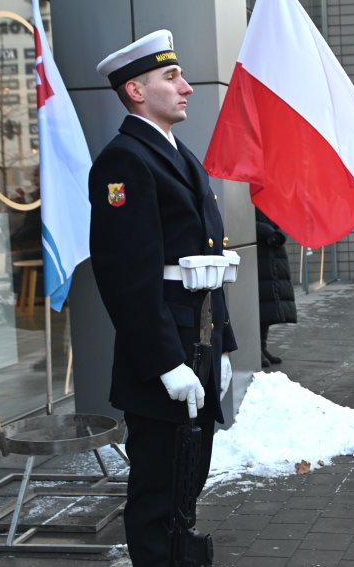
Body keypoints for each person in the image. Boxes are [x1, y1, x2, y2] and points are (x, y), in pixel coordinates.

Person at [90, 30, 237, 564]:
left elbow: (209, 265)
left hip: (196, 340)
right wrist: (166, 362)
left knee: (186, 480)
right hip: (165, 356)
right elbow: (127, 279)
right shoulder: (124, 161)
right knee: (157, 490)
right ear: (135, 89)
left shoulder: (179, 154)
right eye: (170, 77)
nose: (187, 88)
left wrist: (221, 344)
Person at [257, 208, 297, 368]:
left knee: (268, 305)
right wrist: (266, 231)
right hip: (258, 251)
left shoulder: (266, 194)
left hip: (272, 252)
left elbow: (282, 217)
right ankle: (256, 348)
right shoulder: (244, 192)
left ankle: (262, 346)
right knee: (259, 303)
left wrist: (279, 233)